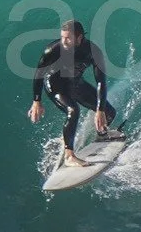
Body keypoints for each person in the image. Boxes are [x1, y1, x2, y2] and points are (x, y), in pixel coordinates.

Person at [27, 19, 118, 167]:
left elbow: (101, 81)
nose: (64, 41)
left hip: (75, 83)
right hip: (55, 84)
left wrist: (99, 110)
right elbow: (39, 74)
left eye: (68, 38)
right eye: (62, 37)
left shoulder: (93, 52)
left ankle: (101, 135)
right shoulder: (53, 50)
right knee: (73, 110)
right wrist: (36, 100)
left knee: (109, 113)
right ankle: (69, 155)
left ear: (80, 37)